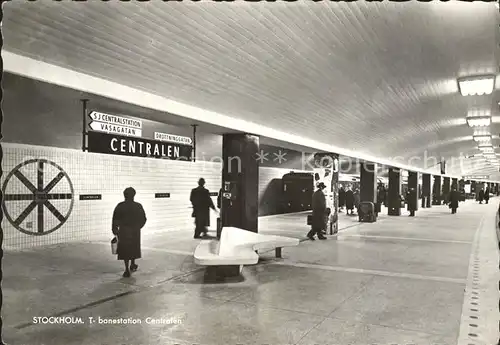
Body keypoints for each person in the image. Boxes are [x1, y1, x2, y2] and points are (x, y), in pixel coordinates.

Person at [112, 187, 147, 278]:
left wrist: (115, 229)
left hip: (124, 230)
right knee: (133, 248)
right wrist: (139, 227)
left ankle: (127, 269)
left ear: (124, 195)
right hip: (135, 230)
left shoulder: (120, 205)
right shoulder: (138, 206)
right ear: (134, 195)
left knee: (125, 250)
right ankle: (133, 263)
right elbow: (143, 219)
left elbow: (115, 218)